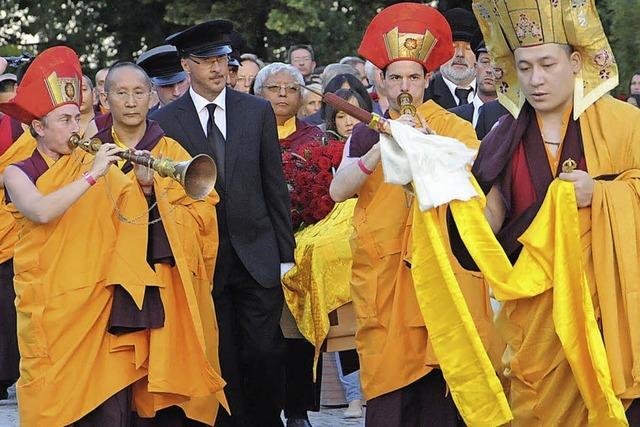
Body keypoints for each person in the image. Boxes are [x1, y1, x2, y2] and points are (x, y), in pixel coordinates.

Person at [449, 0, 640, 424]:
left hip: (605, 311)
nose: (536, 80)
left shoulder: (625, 124)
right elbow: (488, 219)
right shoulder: (504, 134)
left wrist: (604, 194)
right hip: (534, 316)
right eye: (525, 66)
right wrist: (441, 191)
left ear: (575, 61)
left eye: (547, 64)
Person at [329, 4, 492, 426]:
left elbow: (468, 189)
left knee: (440, 391)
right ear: (380, 81)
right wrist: (380, 145)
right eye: (396, 77)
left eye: (414, 77)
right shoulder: (366, 129)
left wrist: (426, 142)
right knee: (389, 390)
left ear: (427, 80)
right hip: (384, 277)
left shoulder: (453, 127)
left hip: (440, 273)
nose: (405, 86)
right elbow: (337, 190)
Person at [150, 20, 295, 427]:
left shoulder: (257, 110)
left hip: (258, 252)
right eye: (206, 60)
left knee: (265, 352)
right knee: (221, 353)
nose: (217, 68)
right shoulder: (167, 119)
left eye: (223, 59)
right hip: (203, 256)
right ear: (186, 65)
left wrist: (286, 254)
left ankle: (269, 420)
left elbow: (274, 185)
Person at [0, 45, 150, 426]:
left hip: (98, 305)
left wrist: (147, 187)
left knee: (109, 410)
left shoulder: (91, 161)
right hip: (51, 312)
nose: (76, 129)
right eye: (65, 120)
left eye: (78, 119)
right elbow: (40, 210)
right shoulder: (18, 171)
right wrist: (94, 175)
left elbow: (133, 214)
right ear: (38, 126)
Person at [94, 60, 227, 425]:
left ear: (152, 97)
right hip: (109, 282)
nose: (131, 101)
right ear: (106, 100)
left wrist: (154, 190)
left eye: (139, 92)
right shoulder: (93, 153)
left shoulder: (172, 150)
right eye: (121, 93)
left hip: (167, 279)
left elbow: (204, 215)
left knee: (170, 367)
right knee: (116, 375)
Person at [424, 7, 480, 109]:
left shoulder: (494, 95)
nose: (460, 54)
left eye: (468, 48)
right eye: (453, 47)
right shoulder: (423, 96)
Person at [450, 41, 508, 138]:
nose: (489, 70)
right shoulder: (452, 117)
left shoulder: (512, 119)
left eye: (497, 64)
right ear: (475, 67)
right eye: (485, 62)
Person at [136, 45, 190, 109]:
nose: (176, 92)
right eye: (167, 85)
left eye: (181, 82)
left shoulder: (203, 115)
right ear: (152, 86)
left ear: (189, 78)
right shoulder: (145, 118)